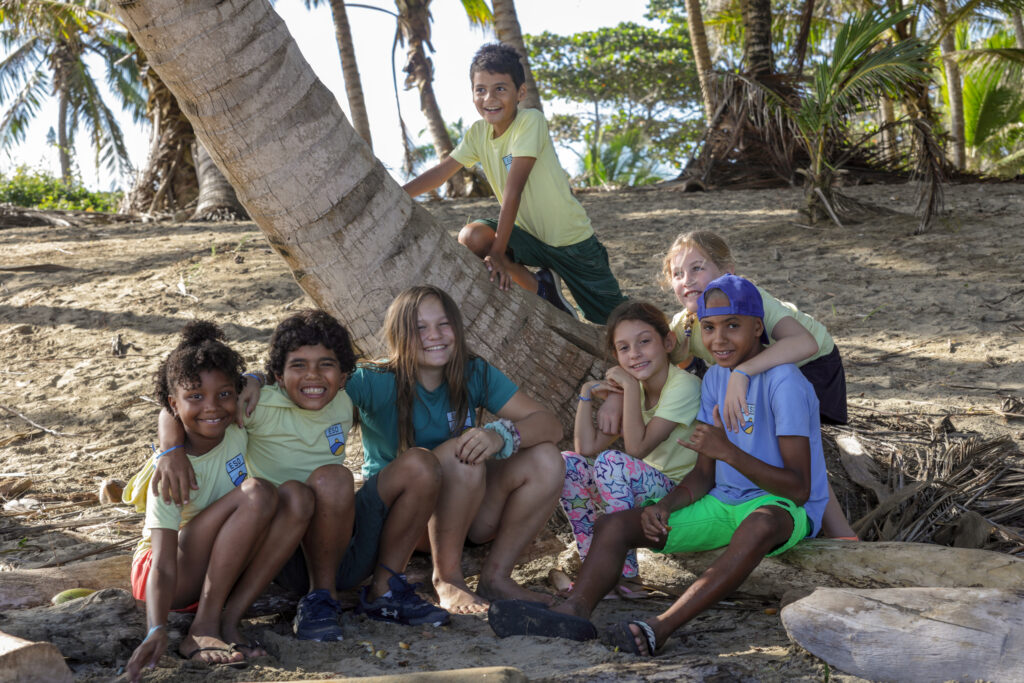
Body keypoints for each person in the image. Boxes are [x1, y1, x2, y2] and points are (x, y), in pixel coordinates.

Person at [488, 274, 830, 657]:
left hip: (783, 509)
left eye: (733, 326)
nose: (719, 340)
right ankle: (574, 610)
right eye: (710, 328)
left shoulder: (784, 382)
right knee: (614, 524)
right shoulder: (716, 378)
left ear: (757, 327)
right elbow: (703, 475)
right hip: (722, 504)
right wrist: (662, 507)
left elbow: (798, 488)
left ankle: (659, 626)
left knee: (760, 523)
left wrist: (729, 453)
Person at [152, 310, 446, 642]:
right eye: (298, 365)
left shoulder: (344, 398)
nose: (313, 376)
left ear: (345, 375)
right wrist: (170, 449)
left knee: (421, 464)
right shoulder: (254, 406)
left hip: (345, 537)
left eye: (326, 364)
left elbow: (396, 372)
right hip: (288, 550)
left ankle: (385, 589)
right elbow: (180, 402)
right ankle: (321, 597)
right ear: (277, 374)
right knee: (330, 478)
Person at [600, 230, 856, 539]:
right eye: (677, 274)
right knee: (767, 443)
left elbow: (806, 343)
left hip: (809, 366)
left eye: (697, 267)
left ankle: (840, 534)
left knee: (799, 445)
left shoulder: (751, 298)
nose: (688, 280)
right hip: (757, 379)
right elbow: (648, 360)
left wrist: (742, 373)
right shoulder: (686, 323)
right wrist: (619, 393)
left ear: (728, 271)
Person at [346, 285, 564, 614]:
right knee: (464, 454)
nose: (434, 335)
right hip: (399, 522)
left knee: (547, 458)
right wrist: (256, 383)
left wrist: (501, 435)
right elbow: (314, 391)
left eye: (444, 324)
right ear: (398, 334)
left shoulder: (472, 371)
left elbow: (550, 425)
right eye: (419, 327)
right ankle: (448, 579)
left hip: (465, 513)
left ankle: (497, 578)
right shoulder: (372, 379)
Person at [124, 322, 310, 681]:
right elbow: (162, 563)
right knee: (257, 492)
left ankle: (228, 619)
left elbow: (261, 380)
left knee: (298, 498)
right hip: (165, 574)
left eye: (224, 394)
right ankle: (201, 627)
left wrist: (252, 378)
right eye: (195, 397)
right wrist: (156, 628)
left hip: (218, 563)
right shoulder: (172, 470)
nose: (212, 407)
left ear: (237, 395)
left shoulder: (238, 425)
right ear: (173, 405)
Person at [402, 43, 627, 324]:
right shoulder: (477, 133)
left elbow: (514, 190)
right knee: (472, 237)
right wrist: (398, 193)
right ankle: (544, 290)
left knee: (616, 318)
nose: (489, 98)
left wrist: (497, 252)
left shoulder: (530, 121)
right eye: (480, 89)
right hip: (526, 238)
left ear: (520, 92)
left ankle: (684, 359)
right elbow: (442, 172)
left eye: (500, 88)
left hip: (571, 242)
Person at [560, 301, 701, 592]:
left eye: (644, 342)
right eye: (624, 348)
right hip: (644, 485)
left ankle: (625, 573)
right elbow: (585, 446)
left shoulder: (683, 386)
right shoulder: (634, 389)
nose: (635, 354)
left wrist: (627, 388)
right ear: (615, 355)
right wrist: (587, 394)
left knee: (611, 461)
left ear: (668, 342)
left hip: (679, 489)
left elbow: (637, 449)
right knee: (568, 463)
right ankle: (594, 567)